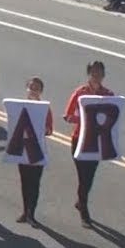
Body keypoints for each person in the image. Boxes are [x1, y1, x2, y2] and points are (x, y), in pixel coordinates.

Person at [63, 60, 113, 228]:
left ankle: (81, 200)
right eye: (93, 72)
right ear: (89, 74)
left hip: (97, 141)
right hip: (80, 139)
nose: (96, 75)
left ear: (103, 74)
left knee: (89, 176)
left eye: (99, 72)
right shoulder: (80, 93)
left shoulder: (108, 95)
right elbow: (68, 115)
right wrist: (84, 119)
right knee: (83, 175)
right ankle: (84, 210)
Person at [16, 77, 52, 228]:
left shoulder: (45, 108)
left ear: (41, 91)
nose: (33, 90)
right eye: (31, 87)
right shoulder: (20, 106)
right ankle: (25, 211)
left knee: (34, 183)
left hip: (37, 150)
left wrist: (43, 128)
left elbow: (49, 130)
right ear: (27, 89)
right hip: (23, 149)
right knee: (25, 182)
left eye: (36, 88)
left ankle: (32, 213)